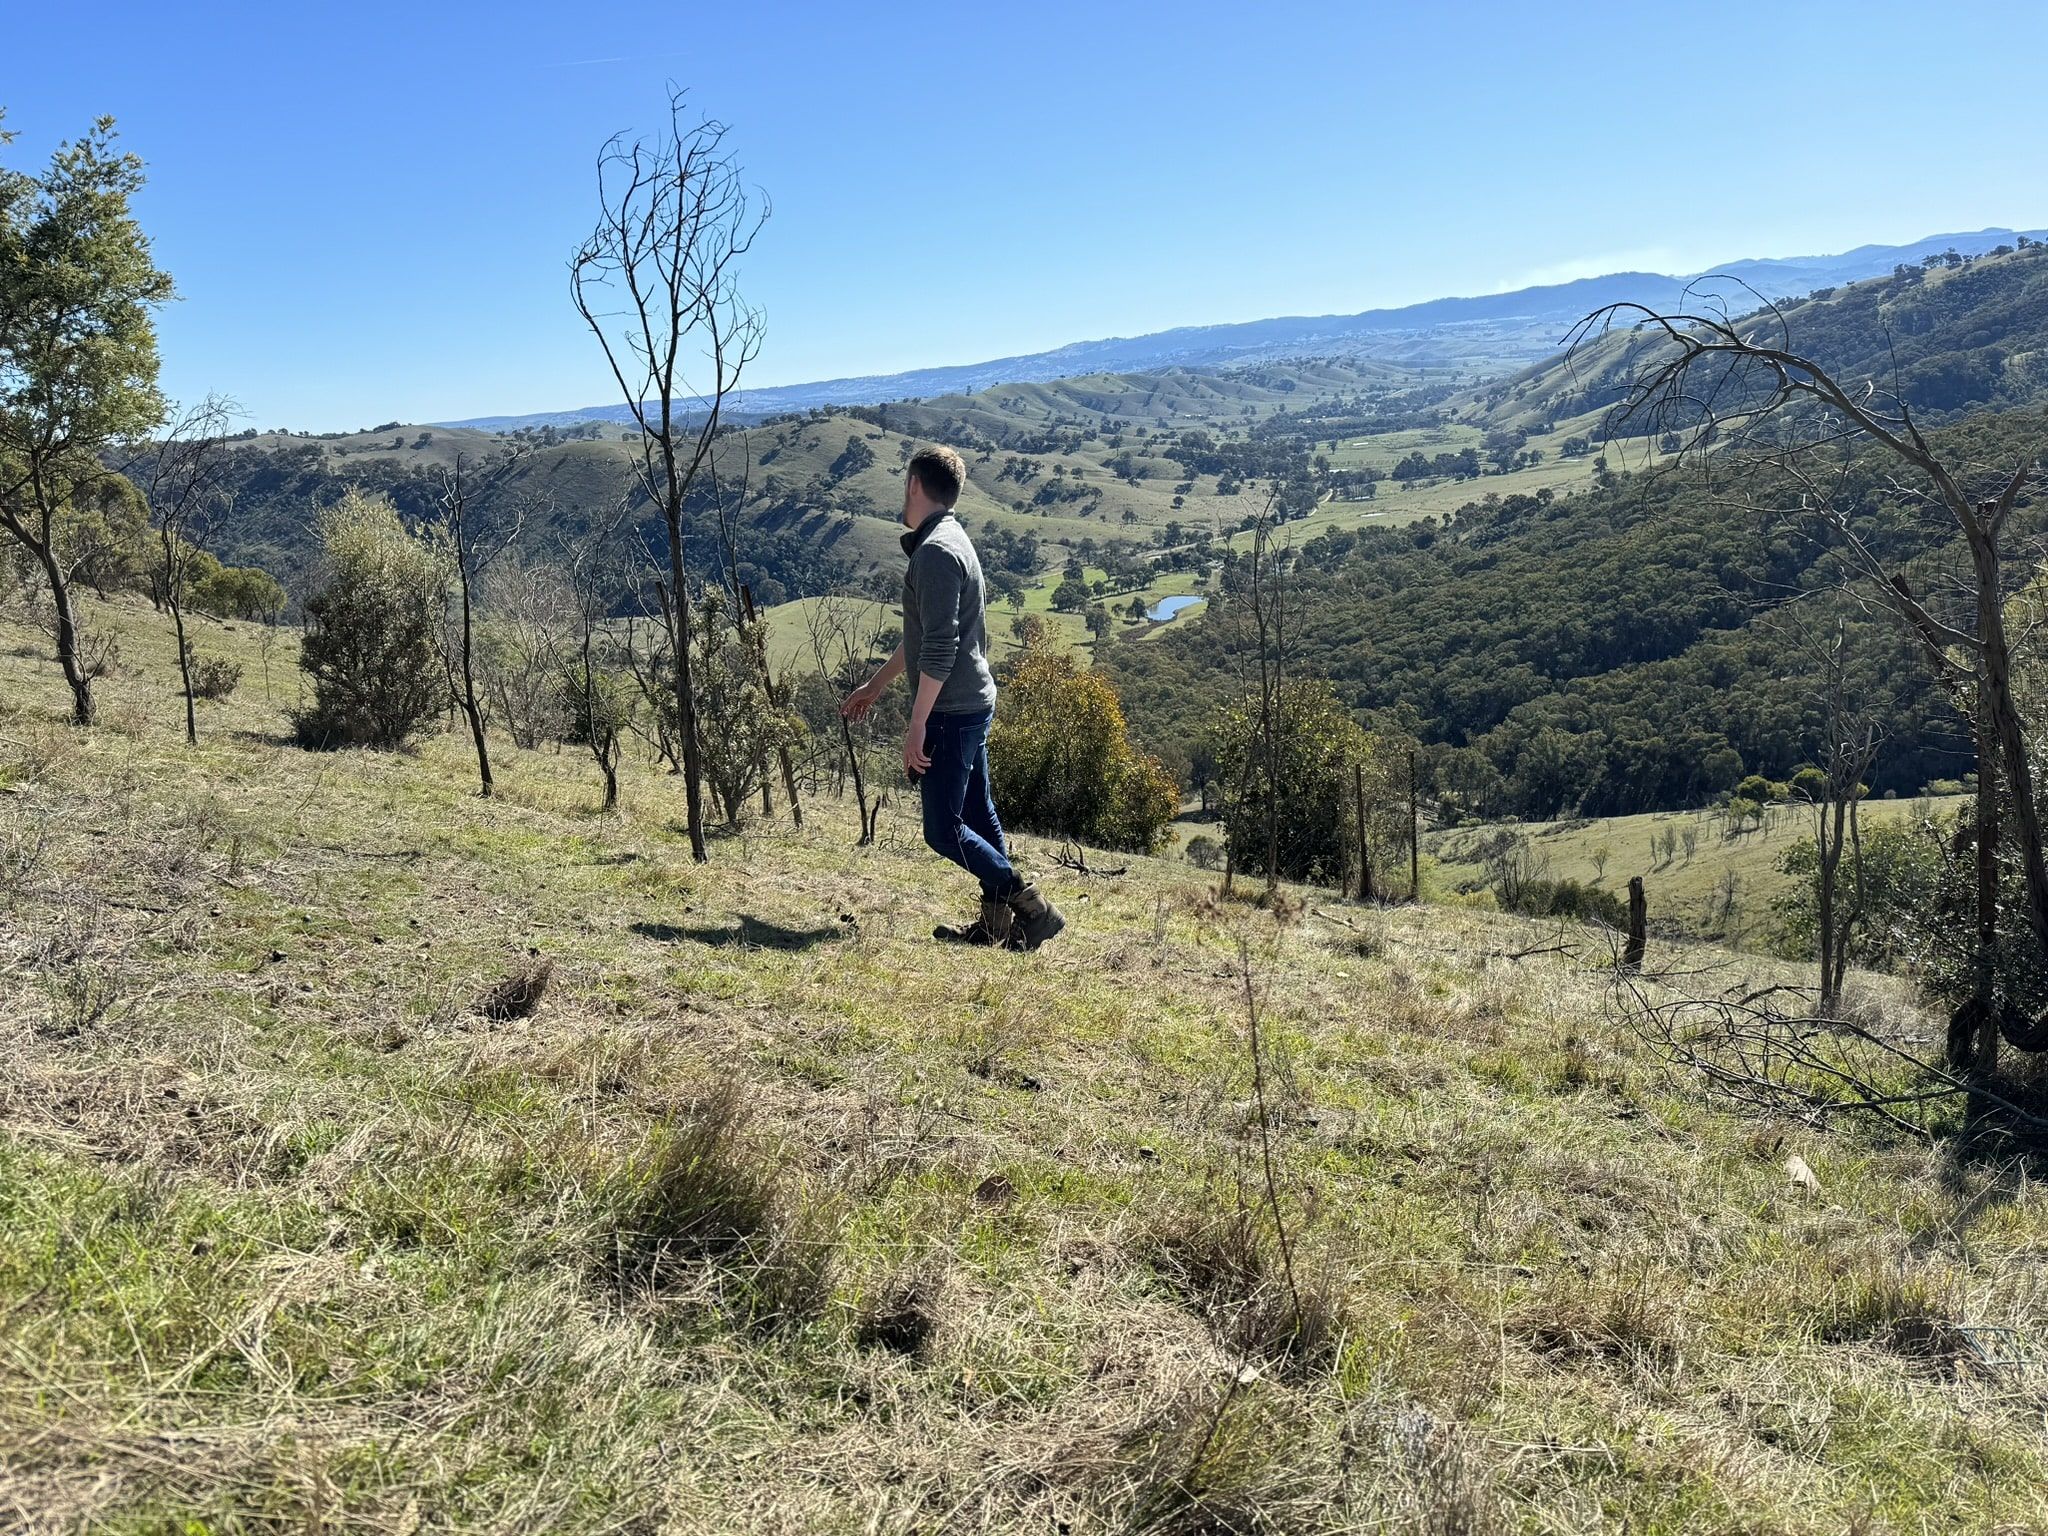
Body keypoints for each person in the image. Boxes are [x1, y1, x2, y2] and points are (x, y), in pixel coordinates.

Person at [841, 445, 1065, 950]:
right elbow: (925, 634)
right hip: (970, 702)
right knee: (980, 815)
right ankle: (996, 928)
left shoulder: (937, 552)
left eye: (904, 484)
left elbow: (938, 650)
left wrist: (918, 723)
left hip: (950, 711)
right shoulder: (951, 537)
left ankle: (1032, 908)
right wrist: (876, 686)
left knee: (943, 831)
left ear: (915, 485)